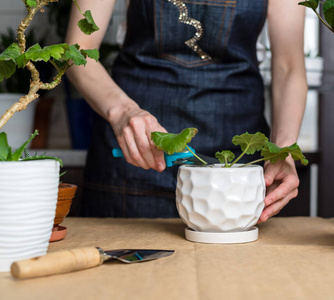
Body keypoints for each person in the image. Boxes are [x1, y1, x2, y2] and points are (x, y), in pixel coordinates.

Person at [65, 0, 308, 220]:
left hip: (236, 169)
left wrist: (283, 149)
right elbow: (78, 51)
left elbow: (289, 67)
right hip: (135, 158)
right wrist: (122, 111)